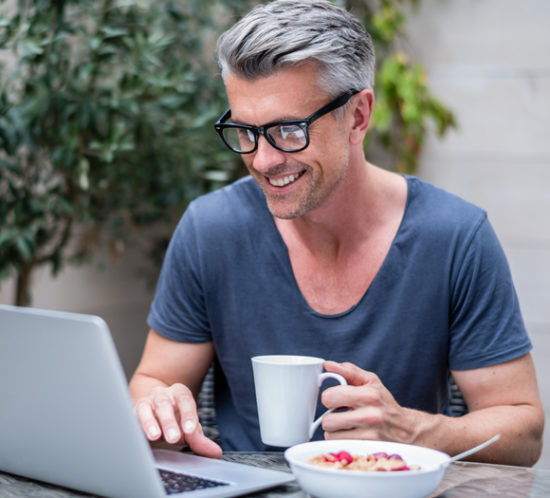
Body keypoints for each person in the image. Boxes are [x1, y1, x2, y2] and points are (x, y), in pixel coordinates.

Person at [129, 0, 544, 465]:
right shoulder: (211, 229)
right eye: (245, 131)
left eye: (288, 130)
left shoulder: (455, 237)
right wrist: (158, 410)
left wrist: (411, 430)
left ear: (359, 116)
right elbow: (151, 381)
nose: (262, 161)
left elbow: (523, 431)